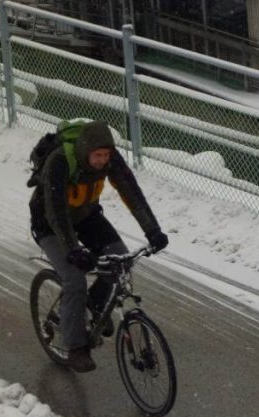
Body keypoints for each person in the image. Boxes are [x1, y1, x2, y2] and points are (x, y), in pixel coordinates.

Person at [29, 120, 168, 373]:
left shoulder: (111, 159)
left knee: (120, 259)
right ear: (85, 150)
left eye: (106, 155)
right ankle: (75, 347)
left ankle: (93, 305)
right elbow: (56, 212)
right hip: (49, 223)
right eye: (98, 156)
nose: (103, 161)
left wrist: (153, 231)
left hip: (86, 215)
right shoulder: (59, 162)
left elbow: (132, 194)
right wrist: (73, 249)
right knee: (74, 278)